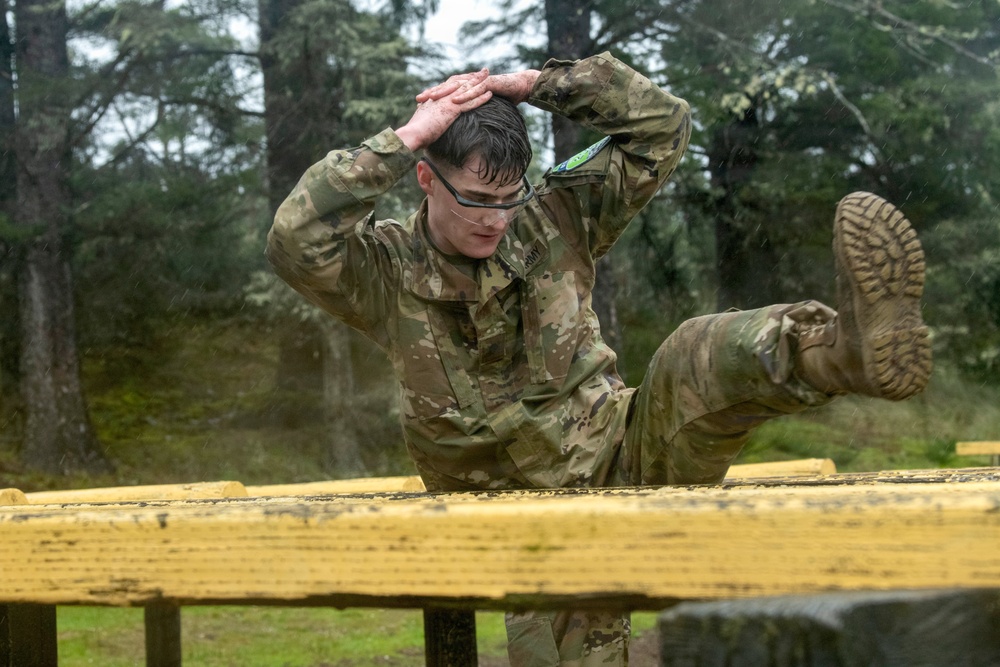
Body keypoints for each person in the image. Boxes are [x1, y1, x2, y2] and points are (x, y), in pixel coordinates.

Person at [266, 52, 931, 666]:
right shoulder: (383, 270)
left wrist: (530, 84)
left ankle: (847, 353)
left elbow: (664, 128)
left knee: (696, 350)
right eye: (476, 198)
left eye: (508, 196)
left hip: (623, 454)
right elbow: (295, 239)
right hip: (519, 527)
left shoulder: (554, 214)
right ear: (425, 179)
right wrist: (408, 133)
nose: (495, 218)